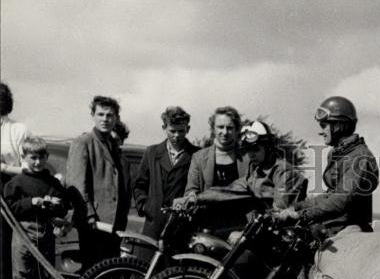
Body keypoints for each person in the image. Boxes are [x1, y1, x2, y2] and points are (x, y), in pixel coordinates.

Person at [273, 96, 378, 240]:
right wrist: (295, 208)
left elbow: (340, 200)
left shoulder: (359, 157)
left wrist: (301, 215)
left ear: (338, 125)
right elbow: (329, 195)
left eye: (324, 125)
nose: (321, 132)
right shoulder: (339, 153)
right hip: (333, 227)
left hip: (351, 232)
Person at [3, 137, 69, 279]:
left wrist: (56, 205)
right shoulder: (16, 182)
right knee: (22, 274)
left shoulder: (53, 183)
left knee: (45, 275)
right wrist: (31, 202)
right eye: (33, 158)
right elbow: (10, 208)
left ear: (47, 157)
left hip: (46, 232)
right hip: (23, 232)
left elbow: (64, 207)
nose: (38, 162)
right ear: (24, 156)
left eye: (41, 157)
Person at [65, 95, 132, 268]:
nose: (105, 119)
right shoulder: (83, 142)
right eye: (100, 114)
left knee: (108, 273)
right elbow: (76, 184)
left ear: (116, 118)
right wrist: (89, 214)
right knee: (92, 272)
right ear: (93, 115)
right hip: (94, 222)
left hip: (114, 222)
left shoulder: (113, 145)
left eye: (109, 115)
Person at [191, 120, 306, 210]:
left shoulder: (285, 172)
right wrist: (196, 198)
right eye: (248, 149)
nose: (251, 154)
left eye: (255, 149)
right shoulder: (256, 171)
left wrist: (243, 234)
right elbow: (229, 190)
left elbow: (279, 214)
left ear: (268, 147)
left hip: (284, 235)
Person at [132, 106, 199, 257]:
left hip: (181, 228)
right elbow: (139, 185)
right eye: (172, 131)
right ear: (164, 128)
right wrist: (146, 206)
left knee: (174, 275)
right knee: (145, 273)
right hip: (153, 226)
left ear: (188, 129)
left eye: (181, 131)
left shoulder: (197, 155)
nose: (176, 135)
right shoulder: (152, 152)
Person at [1, 81, 34, 279]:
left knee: (6, 242)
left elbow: (31, 163)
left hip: (10, 188)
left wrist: (3, 167)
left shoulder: (18, 130)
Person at [184, 106, 250, 196]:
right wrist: (192, 196)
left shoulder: (248, 156)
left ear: (236, 129)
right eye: (220, 127)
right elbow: (191, 191)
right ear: (213, 129)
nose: (225, 132)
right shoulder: (199, 157)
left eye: (230, 128)